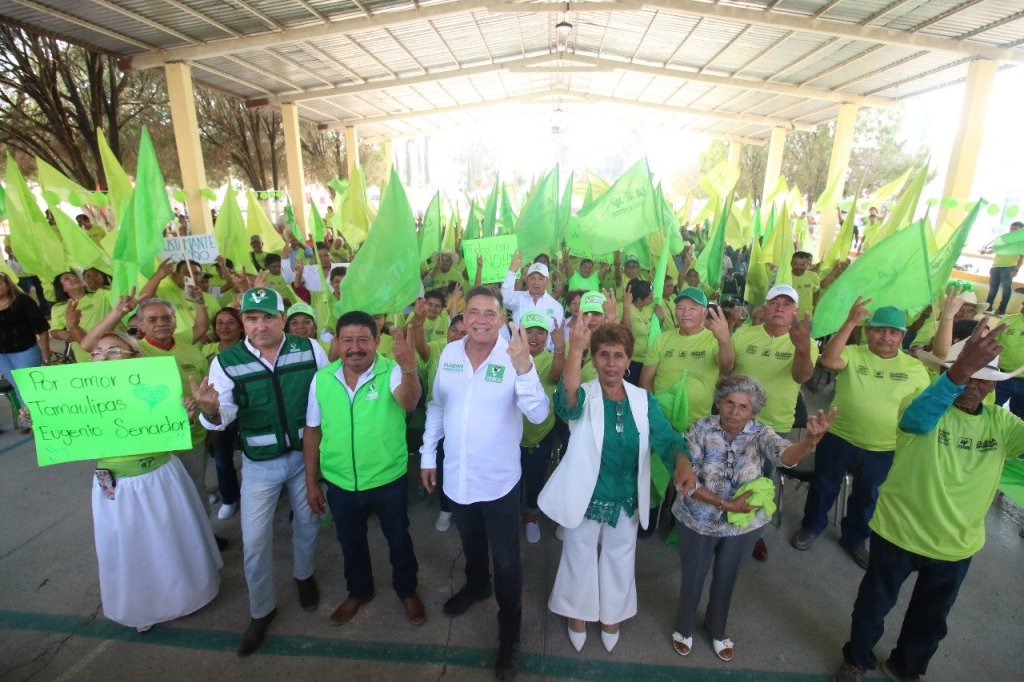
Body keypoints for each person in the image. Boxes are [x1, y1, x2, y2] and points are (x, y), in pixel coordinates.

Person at [834, 321, 1024, 682]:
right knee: (873, 606)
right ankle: (856, 658)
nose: (972, 385)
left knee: (931, 618)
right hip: (898, 533)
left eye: (983, 379)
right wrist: (960, 371)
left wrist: (965, 370)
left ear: (993, 386)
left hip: (956, 544)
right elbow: (916, 421)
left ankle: (906, 667)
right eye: (966, 375)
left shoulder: (1002, 424)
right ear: (946, 373)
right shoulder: (919, 404)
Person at [49, 327, 222, 632]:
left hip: (160, 476)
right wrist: (37, 418)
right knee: (130, 547)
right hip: (116, 484)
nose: (104, 357)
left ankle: (188, 594)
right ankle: (143, 606)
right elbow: (61, 431)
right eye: (97, 353)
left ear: (134, 356)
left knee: (173, 538)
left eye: (114, 351)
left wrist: (187, 413)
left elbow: (178, 427)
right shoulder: (79, 397)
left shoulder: (158, 387)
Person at [420, 286, 550, 680]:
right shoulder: (450, 354)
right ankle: (477, 585)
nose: (480, 320)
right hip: (458, 476)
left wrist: (525, 368)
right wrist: (427, 455)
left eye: (489, 313)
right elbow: (437, 406)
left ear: (502, 319)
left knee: (507, 561)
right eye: (473, 312)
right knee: (471, 542)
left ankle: (509, 634)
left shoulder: (514, 357)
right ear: (463, 318)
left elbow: (538, 414)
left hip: (499, 483)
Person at [191, 287, 329, 656]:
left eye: (268, 316)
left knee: (307, 521)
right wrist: (211, 411)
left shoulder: (310, 349)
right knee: (254, 541)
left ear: (282, 319)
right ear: (243, 322)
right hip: (259, 463)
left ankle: (303, 576)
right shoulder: (226, 361)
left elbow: (325, 396)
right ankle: (261, 610)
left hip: (305, 457)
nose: (260, 325)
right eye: (252, 318)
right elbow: (222, 416)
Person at [539, 322, 690, 653]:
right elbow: (566, 406)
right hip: (587, 495)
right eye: (603, 354)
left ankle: (613, 614)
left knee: (621, 555)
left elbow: (666, 438)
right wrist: (575, 350)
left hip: (628, 496)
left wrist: (681, 460)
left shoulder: (643, 400)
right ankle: (577, 612)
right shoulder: (583, 393)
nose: (611, 362)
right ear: (594, 359)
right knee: (579, 553)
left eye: (618, 355)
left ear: (628, 360)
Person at [671, 375, 836, 662]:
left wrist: (809, 442)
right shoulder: (700, 429)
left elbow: (785, 456)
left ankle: (716, 628)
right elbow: (688, 481)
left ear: (753, 411)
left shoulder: (761, 433)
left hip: (742, 524)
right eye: (729, 403)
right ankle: (683, 627)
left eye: (743, 407)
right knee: (693, 576)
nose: (735, 412)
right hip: (698, 519)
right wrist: (726, 504)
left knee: (727, 577)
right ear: (719, 403)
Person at [304, 312, 426, 626]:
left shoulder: (392, 370)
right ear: (337, 342)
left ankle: (407, 590)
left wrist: (408, 366)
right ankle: (358, 591)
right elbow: (313, 431)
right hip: (340, 482)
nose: (355, 347)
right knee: (350, 542)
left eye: (363, 340)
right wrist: (311, 482)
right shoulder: (323, 378)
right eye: (347, 340)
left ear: (375, 341)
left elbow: (409, 402)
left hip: (387, 479)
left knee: (398, 539)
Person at [793, 301, 930, 568]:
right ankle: (811, 526)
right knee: (823, 486)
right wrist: (850, 322)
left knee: (868, 496)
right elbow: (828, 360)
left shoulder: (915, 368)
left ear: (902, 336)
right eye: (879, 330)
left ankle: (855, 539)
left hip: (884, 447)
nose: (886, 337)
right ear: (868, 331)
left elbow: (920, 411)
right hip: (839, 437)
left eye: (893, 332)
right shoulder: (853, 353)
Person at [732, 284, 817, 561]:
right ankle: (725, 525)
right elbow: (725, 369)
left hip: (774, 425)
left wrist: (802, 348)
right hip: (735, 420)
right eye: (774, 302)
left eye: (787, 303)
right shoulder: (744, 334)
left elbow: (802, 376)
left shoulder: (805, 342)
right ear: (764, 307)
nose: (780, 307)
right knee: (729, 474)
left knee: (761, 483)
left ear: (794, 311)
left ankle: (752, 534)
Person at [409, 303, 468, 532]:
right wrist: (418, 320)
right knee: (442, 465)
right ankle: (445, 509)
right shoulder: (439, 347)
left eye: (463, 333)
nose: (457, 336)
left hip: (463, 424)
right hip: (438, 421)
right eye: (454, 331)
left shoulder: (476, 356)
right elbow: (421, 348)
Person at [640, 286, 734, 427]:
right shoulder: (662, 339)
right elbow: (645, 380)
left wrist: (725, 340)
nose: (685, 313)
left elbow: (726, 367)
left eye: (692, 308)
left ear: (704, 313)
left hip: (698, 425)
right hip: (661, 421)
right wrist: (655, 413)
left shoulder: (714, 339)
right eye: (680, 308)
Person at [518, 311, 565, 543]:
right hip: (511, 434)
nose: (534, 336)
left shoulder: (549, 358)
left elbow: (556, 375)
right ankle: (508, 515)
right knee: (511, 479)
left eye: (540, 332)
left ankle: (531, 517)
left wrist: (559, 348)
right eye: (529, 331)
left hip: (541, 433)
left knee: (535, 478)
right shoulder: (510, 356)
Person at [201, 307, 245, 520]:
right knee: (221, 458)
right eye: (220, 322)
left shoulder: (249, 348)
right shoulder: (206, 349)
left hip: (245, 409)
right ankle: (229, 498)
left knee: (249, 455)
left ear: (241, 327)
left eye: (230, 322)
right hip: (217, 411)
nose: (225, 327)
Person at [0, 272, 49, 422]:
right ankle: (29, 420)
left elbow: (41, 327)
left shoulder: (22, 301)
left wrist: (45, 350)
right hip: (2, 355)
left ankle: (36, 421)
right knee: (18, 386)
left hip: (25, 351)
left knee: (27, 387)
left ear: (7, 285)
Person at [49, 270, 112, 363]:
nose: (74, 278)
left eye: (75, 276)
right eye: (67, 278)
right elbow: (54, 331)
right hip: (82, 354)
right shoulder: (58, 308)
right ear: (62, 288)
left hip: (111, 348)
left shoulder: (102, 294)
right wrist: (59, 333)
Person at [502, 253, 565, 333]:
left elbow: (556, 335)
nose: (536, 282)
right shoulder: (518, 298)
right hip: (520, 341)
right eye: (532, 278)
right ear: (527, 280)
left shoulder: (556, 307)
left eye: (540, 279)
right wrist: (512, 271)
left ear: (547, 281)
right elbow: (505, 298)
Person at [985, 220, 1022, 315]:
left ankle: (1001, 310)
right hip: (995, 267)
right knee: (993, 288)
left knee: (1006, 290)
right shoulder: (1004, 238)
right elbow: (993, 250)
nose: (1012, 230)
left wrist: (1016, 270)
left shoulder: (1020, 242)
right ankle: (988, 307)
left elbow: (1021, 258)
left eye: (1015, 229)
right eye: (1011, 228)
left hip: (1009, 268)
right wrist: (984, 251)